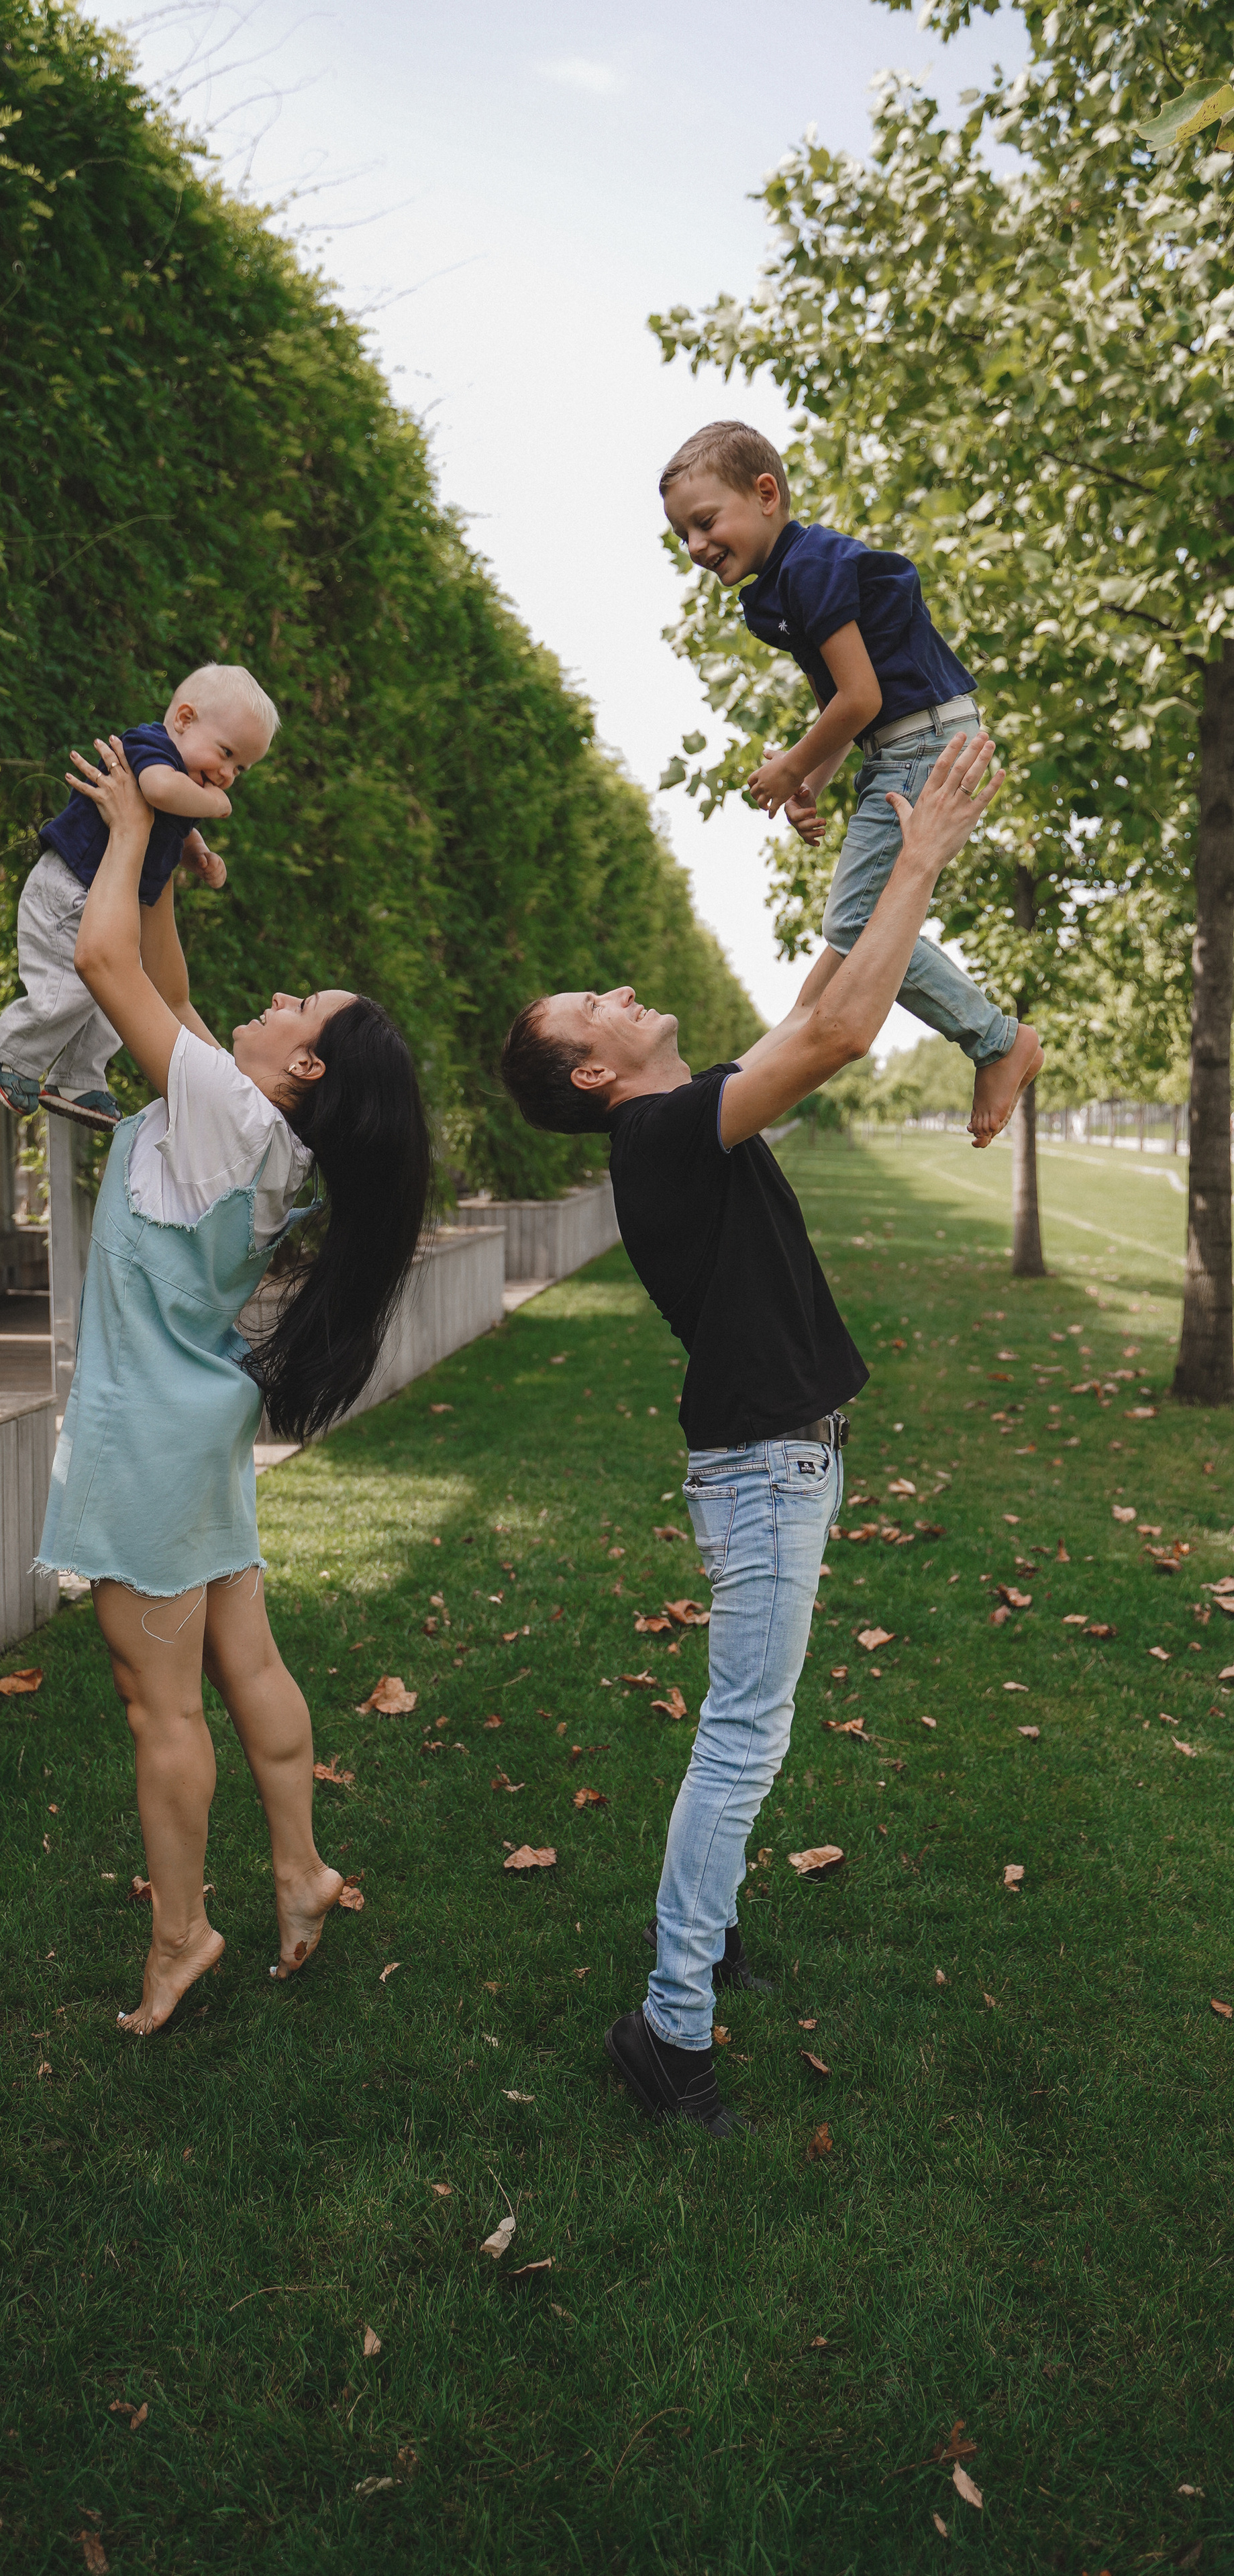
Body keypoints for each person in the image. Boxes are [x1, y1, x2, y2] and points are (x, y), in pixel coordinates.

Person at [499, 728, 1004, 2140]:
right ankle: (666, 2027)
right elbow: (841, 1034)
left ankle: (703, 1940)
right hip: (765, 1467)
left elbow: (816, 1008)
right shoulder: (656, 1141)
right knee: (736, 1744)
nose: (617, 989)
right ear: (594, 1076)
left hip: (776, 1461)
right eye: (588, 1005)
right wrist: (916, 855)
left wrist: (858, 892)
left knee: (740, 1737)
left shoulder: (680, 1120)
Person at [40, 735, 431, 2035]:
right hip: (191, 1422)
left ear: (305, 1066)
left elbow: (102, 968)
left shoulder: (221, 1107)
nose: (273, 1002)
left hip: (149, 1437)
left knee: (157, 1702)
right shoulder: (253, 1125)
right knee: (240, 1661)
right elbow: (158, 969)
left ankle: (181, 1935)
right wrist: (158, 874)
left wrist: (121, 832)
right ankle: (300, 1866)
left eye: (298, 1008)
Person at [660, 420, 1042, 1146]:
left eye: (705, 522)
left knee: (855, 924)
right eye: (681, 535)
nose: (695, 547)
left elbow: (862, 699)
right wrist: (815, 779)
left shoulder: (810, 568)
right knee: (853, 930)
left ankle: (996, 1039)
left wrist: (790, 765)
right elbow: (838, 701)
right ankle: (988, 1040)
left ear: (765, 494)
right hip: (901, 744)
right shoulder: (770, 595)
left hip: (922, 741)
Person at [0, 665, 277, 1131]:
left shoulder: (185, 780)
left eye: (240, 769)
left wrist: (197, 853)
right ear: (184, 719)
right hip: (69, 890)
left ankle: (78, 1079)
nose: (228, 775)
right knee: (68, 992)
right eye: (227, 753)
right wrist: (215, 804)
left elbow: (173, 824)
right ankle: (6, 1054)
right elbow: (156, 790)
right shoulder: (149, 747)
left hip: (107, 905)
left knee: (118, 996)